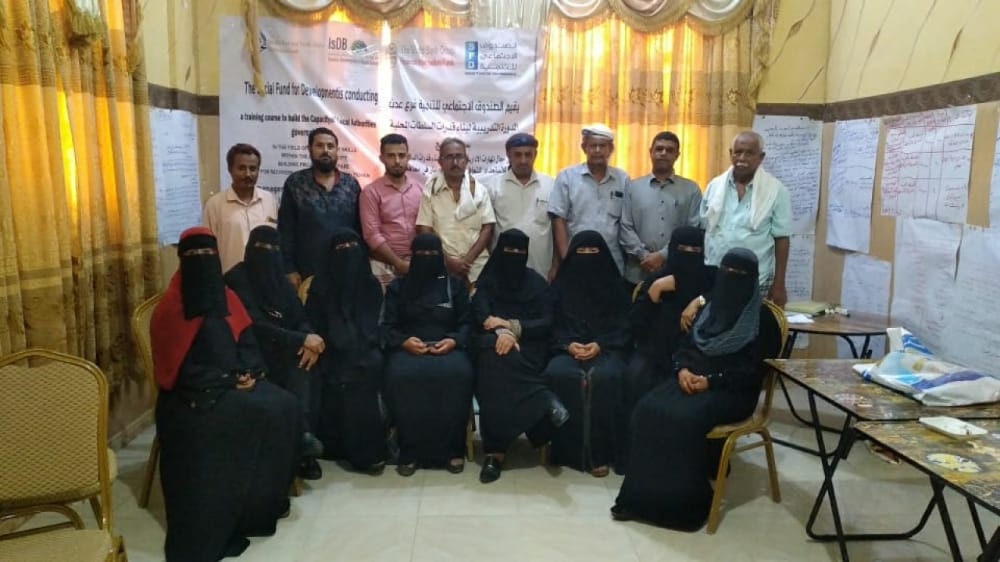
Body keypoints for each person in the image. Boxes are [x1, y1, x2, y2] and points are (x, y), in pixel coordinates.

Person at [150, 226, 299, 562]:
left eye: (208, 253)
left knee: (285, 406)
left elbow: (247, 343)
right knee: (254, 416)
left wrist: (250, 372)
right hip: (192, 398)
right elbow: (179, 370)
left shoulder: (227, 297)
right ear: (182, 260)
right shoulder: (171, 308)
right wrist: (228, 381)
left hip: (233, 384)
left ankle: (259, 508)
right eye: (194, 254)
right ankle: (228, 515)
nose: (202, 260)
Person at [611, 248, 781, 531]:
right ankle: (640, 500)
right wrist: (682, 370)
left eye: (739, 275)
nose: (731, 279)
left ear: (752, 280)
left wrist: (711, 381)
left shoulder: (762, 321)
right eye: (727, 272)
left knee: (683, 420)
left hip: (733, 391)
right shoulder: (708, 309)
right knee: (646, 409)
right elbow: (684, 347)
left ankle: (683, 507)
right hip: (691, 379)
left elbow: (754, 372)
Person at [224, 225, 326, 480]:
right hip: (251, 352)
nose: (267, 254)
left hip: (284, 348)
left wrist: (308, 339)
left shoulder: (280, 280)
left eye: (272, 249)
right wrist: (300, 339)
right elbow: (254, 325)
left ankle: (303, 446)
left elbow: (299, 316)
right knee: (295, 368)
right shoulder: (236, 279)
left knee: (305, 365)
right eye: (261, 248)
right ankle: (300, 444)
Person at [472, 229, 568, 483]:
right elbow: (481, 316)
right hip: (492, 343)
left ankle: (495, 452)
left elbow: (547, 321)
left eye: (520, 251)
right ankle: (543, 401)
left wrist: (513, 328)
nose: (514, 255)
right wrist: (503, 333)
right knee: (493, 362)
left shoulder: (536, 283)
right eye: (509, 250)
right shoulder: (488, 281)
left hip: (529, 346)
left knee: (499, 367)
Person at [618, 226, 715, 471]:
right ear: (672, 250)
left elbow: (728, 295)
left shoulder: (711, 278)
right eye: (683, 249)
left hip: (699, 353)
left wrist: (698, 300)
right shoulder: (658, 279)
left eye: (695, 249)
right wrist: (654, 293)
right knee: (637, 377)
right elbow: (636, 326)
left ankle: (689, 462)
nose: (689, 254)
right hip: (655, 350)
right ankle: (637, 455)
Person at [382, 233, 475, 476]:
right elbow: (387, 326)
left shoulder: (454, 286)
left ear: (441, 257)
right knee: (401, 376)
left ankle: (453, 450)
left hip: (448, 347)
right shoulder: (398, 287)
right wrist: (404, 341)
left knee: (459, 374)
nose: (426, 258)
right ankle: (410, 451)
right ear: (412, 257)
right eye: (421, 254)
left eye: (432, 254)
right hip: (408, 349)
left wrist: (453, 340)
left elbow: (467, 323)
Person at [544, 230, 631, 477]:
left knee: (605, 378)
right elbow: (550, 324)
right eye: (581, 252)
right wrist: (567, 344)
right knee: (559, 374)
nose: (587, 257)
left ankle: (599, 454)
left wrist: (600, 344)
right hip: (566, 350)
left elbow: (625, 325)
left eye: (593, 252)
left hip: (607, 350)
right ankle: (564, 450)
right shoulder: (560, 287)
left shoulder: (616, 287)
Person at [304, 228, 387, 474]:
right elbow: (313, 323)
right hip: (329, 349)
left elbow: (375, 325)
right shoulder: (320, 286)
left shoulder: (370, 284)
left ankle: (366, 451)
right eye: (340, 249)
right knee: (346, 374)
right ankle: (357, 451)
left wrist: (359, 346)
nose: (347, 254)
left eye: (352, 248)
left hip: (366, 348)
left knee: (363, 372)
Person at [700, 131, 791, 307]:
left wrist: (779, 283)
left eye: (749, 153)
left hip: (756, 279)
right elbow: (703, 230)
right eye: (738, 152)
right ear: (730, 154)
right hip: (715, 275)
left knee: (750, 324)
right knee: (711, 323)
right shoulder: (714, 186)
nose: (742, 158)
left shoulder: (776, 191)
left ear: (761, 157)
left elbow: (782, 239)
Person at [279, 127, 362, 290]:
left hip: (347, 270)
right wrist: (289, 268)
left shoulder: (351, 184)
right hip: (308, 273)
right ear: (310, 149)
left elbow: (360, 229)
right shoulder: (295, 183)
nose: (325, 150)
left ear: (337, 151)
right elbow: (286, 229)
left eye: (330, 146)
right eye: (319, 145)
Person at [618, 131, 702, 286]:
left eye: (669, 150)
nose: (663, 153)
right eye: (659, 149)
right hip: (637, 273)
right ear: (650, 152)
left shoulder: (691, 190)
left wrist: (663, 255)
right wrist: (644, 255)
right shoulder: (632, 187)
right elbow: (625, 227)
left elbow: (693, 229)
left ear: (677, 155)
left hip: (675, 275)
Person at [548, 123, 630, 276]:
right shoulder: (567, 176)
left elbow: (627, 222)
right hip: (576, 259)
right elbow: (558, 220)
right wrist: (566, 259)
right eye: (593, 146)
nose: (597, 150)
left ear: (611, 149)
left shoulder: (622, 178)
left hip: (612, 261)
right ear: (584, 148)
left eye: (602, 146)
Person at [416, 138, 496, 284]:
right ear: (440, 161)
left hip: (477, 266)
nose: (455, 162)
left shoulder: (480, 191)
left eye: (459, 156)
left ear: (466, 160)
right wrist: (448, 261)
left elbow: (487, 228)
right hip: (441, 265)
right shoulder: (430, 191)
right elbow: (424, 229)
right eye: (449, 157)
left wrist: (467, 260)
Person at [479, 133, 557, 280]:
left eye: (528, 154)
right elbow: (487, 230)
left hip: (541, 269)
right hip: (503, 270)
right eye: (518, 155)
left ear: (535, 155)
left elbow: (557, 229)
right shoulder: (493, 187)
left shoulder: (551, 185)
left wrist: (555, 266)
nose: (523, 160)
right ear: (508, 155)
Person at [360, 133, 424, 288]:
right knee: (384, 304)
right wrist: (397, 262)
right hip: (383, 264)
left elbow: (426, 227)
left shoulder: (420, 189)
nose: (397, 161)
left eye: (401, 155)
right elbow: (372, 234)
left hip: (417, 264)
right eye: (391, 156)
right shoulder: (370, 192)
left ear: (408, 157)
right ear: (382, 158)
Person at [202, 143, 278, 273]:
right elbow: (209, 251)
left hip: (265, 278)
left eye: (253, 169)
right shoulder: (215, 205)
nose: (248, 174)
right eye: (242, 168)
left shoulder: (269, 200)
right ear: (230, 169)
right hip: (229, 280)